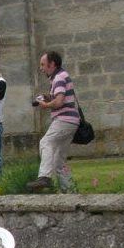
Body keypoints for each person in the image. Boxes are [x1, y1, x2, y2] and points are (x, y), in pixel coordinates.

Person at [27, 50, 80, 193]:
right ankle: (70, 192)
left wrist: (46, 105)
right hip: (72, 121)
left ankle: (44, 177)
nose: (41, 68)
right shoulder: (60, 77)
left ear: (52, 64)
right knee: (59, 161)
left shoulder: (59, 78)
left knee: (45, 142)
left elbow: (59, 102)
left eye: (43, 64)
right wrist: (48, 98)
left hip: (64, 120)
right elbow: (59, 98)